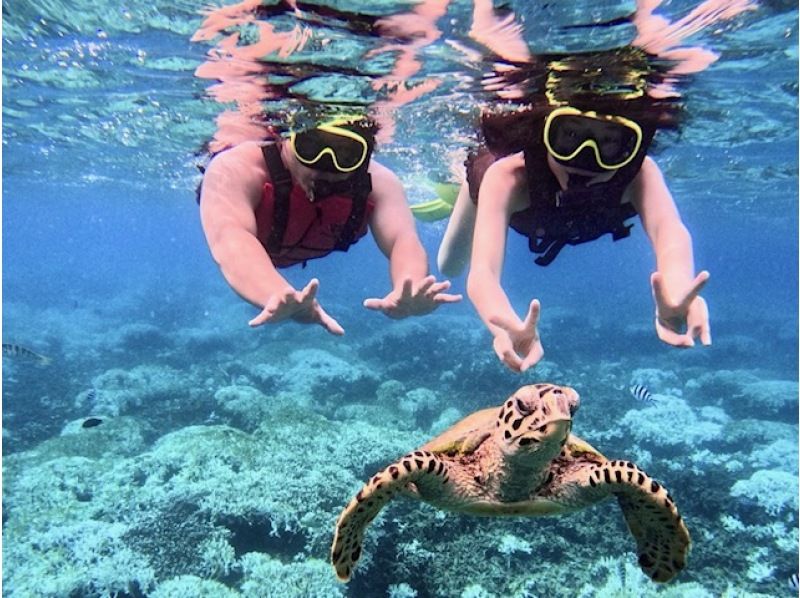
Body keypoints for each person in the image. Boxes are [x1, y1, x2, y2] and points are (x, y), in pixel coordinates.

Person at [436, 97, 711, 373]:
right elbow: (483, 272)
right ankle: (459, 188)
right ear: (546, 134)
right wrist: (501, 323)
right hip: (496, 193)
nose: (586, 155)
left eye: (608, 143)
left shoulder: (640, 175)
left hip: (547, 216)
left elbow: (669, 231)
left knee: (449, 265)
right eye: (570, 134)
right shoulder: (508, 177)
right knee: (449, 265)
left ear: (631, 148)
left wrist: (677, 287)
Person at [199, 114, 461, 335]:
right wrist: (273, 291)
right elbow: (230, 236)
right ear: (287, 138)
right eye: (311, 147)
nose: (324, 167)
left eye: (346, 154)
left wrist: (411, 287)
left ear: (365, 156)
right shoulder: (237, 168)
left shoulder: (378, 183)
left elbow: (402, 239)